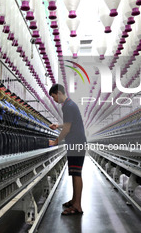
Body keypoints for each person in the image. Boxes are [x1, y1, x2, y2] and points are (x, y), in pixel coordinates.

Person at [48, 84, 86, 216]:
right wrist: (58, 125)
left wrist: (55, 142)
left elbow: (67, 129)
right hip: (76, 142)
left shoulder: (68, 107)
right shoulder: (70, 105)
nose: (55, 100)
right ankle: (74, 200)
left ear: (58, 93)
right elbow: (69, 124)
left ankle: (77, 206)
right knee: (74, 172)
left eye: (54, 97)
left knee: (76, 173)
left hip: (76, 143)